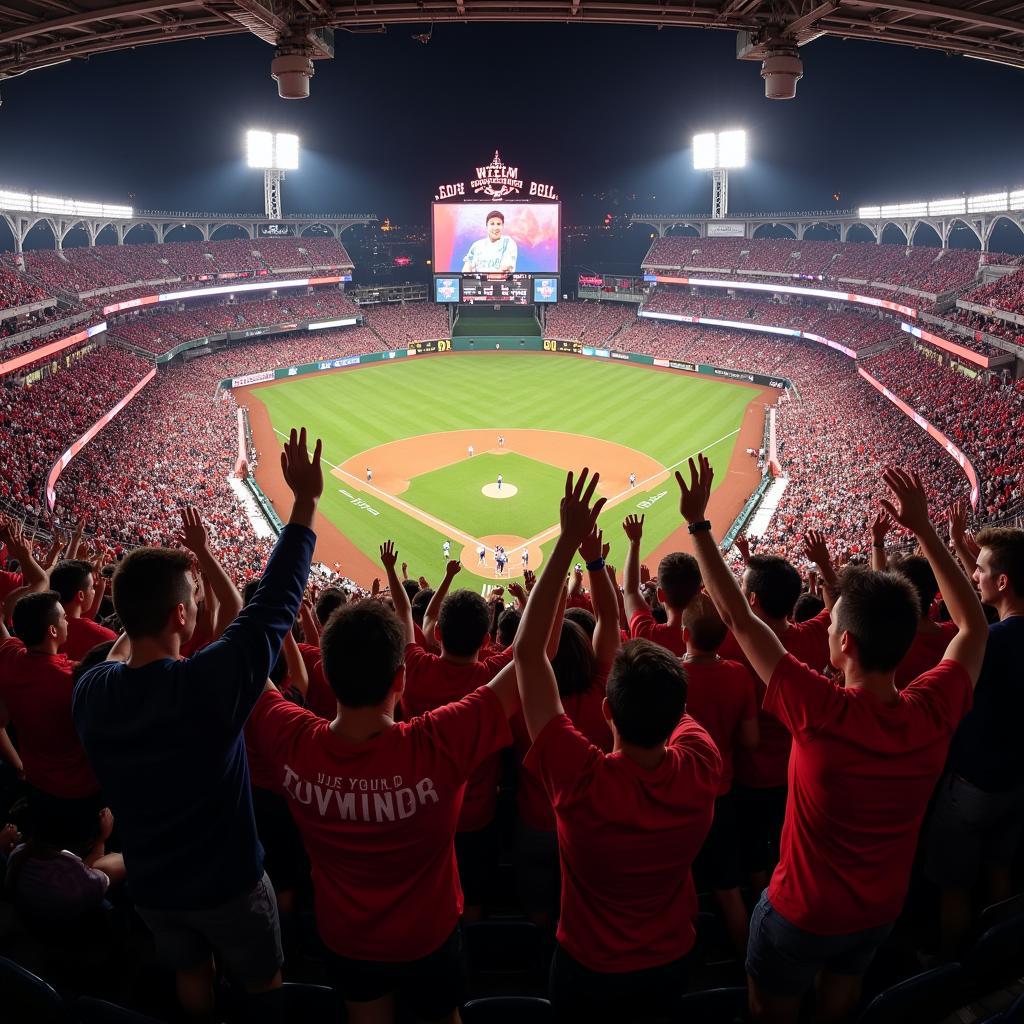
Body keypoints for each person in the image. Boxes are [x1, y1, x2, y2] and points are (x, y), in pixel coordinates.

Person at [677, 456, 987, 1024]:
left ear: (843, 643)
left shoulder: (818, 710)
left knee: (769, 1006)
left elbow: (742, 621)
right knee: (840, 1000)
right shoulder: (934, 708)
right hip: (879, 908)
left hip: (802, 910)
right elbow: (973, 625)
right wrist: (923, 533)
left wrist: (699, 527)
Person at [72, 428, 324, 1021]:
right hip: (231, 883)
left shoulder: (91, 695)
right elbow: (272, 607)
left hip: (154, 883)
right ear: (182, 615)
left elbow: (117, 655)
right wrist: (305, 503)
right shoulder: (202, 687)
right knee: (264, 983)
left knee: (190, 972)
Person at [246, 540, 520, 1024]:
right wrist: (570, 558)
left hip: (347, 938)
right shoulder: (438, 743)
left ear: (326, 670)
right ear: (400, 680)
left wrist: (305, 511)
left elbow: (246, 657)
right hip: (430, 933)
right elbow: (533, 655)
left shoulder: (292, 738)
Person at [514, 469, 720, 1022]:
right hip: (673, 957)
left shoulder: (581, 780)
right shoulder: (701, 764)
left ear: (608, 710)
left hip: (587, 964)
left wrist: (566, 545)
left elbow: (528, 655)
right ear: (678, 712)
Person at [926, 526, 1024, 958]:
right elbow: (979, 611)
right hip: (1016, 781)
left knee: (954, 888)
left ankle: (952, 968)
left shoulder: (991, 643)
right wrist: (968, 554)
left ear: (1002, 581)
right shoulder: (1002, 634)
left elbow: (972, 627)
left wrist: (926, 533)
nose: (974, 577)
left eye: (980, 571)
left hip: (972, 787)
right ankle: (1001, 956)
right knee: (1000, 869)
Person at [681, 594, 759, 957]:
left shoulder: (673, 674)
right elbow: (750, 739)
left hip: (678, 796)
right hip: (721, 795)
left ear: (685, 635)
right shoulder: (738, 674)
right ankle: (746, 969)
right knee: (729, 891)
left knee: (676, 888)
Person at [621, 513, 702, 656]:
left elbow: (630, 591)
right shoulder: (714, 633)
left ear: (660, 594)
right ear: (699, 591)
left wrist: (635, 542)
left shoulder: (647, 635)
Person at [50, 559, 117, 662]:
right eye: (92, 587)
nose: (94, 591)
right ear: (81, 595)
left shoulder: (40, 624)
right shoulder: (105, 638)